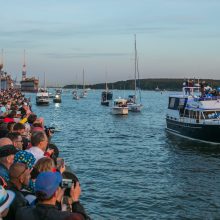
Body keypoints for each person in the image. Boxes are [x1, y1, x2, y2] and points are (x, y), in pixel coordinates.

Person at [16, 171, 88, 220]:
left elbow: (46, 211)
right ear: (56, 192)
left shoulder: (22, 212)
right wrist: (75, 201)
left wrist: (56, 201)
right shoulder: (66, 217)